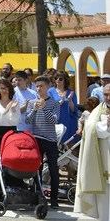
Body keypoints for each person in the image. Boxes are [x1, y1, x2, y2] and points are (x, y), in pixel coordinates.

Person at [74, 84, 110, 220]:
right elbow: (90, 129)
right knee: (104, 203)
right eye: (106, 94)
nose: (108, 98)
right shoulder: (98, 111)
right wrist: (106, 126)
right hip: (103, 165)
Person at [26, 75, 61, 208]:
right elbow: (28, 121)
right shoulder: (32, 102)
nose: (39, 88)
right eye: (37, 86)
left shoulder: (54, 103)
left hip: (50, 140)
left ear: (48, 87)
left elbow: (54, 120)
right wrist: (35, 109)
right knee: (36, 170)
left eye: (41, 86)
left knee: (53, 170)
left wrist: (44, 107)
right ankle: (38, 197)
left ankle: (54, 199)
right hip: (36, 139)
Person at [53, 71, 78, 142]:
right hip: (55, 121)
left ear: (65, 80)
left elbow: (74, 110)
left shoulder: (71, 92)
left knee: (69, 146)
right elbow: (48, 106)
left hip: (68, 122)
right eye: (56, 78)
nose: (57, 80)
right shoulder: (50, 91)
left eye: (60, 79)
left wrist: (70, 101)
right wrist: (59, 103)